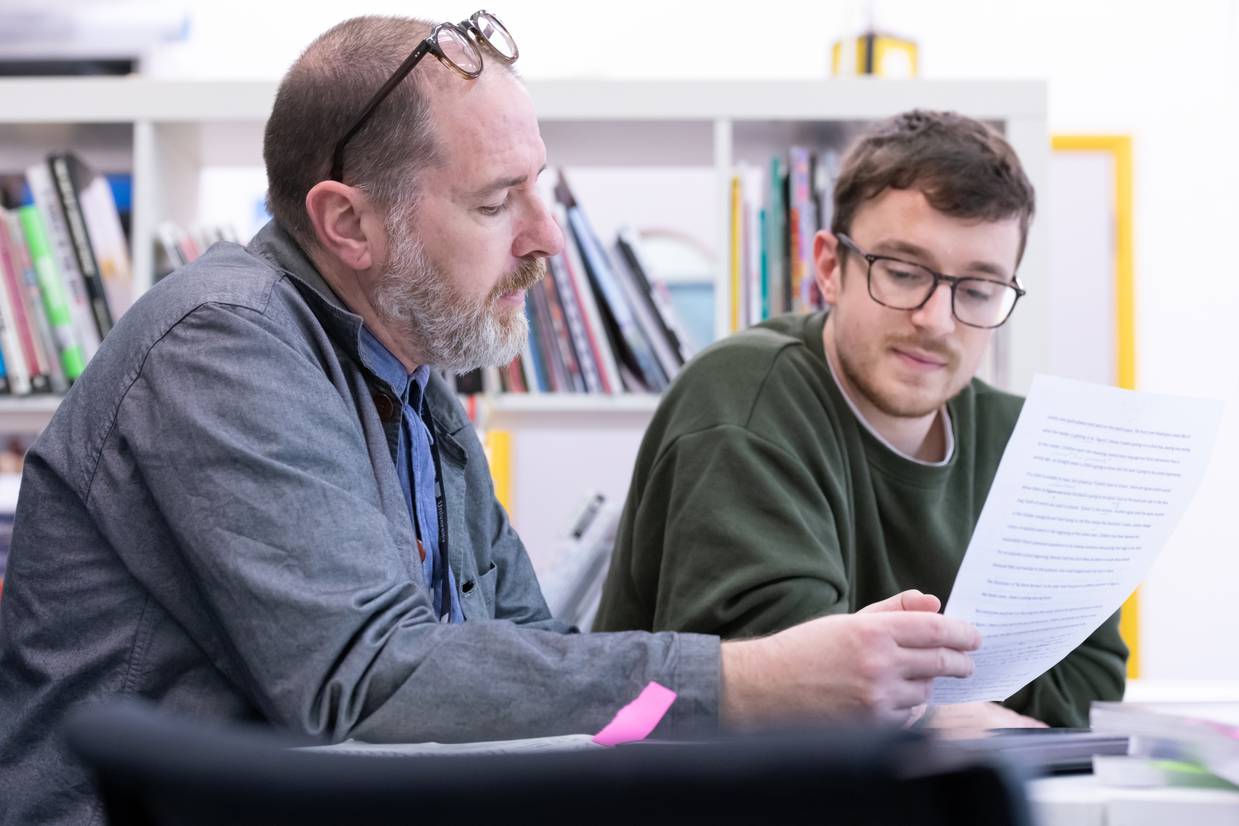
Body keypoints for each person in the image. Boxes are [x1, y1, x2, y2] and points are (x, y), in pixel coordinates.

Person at [0, 15, 982, 826]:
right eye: (497, 200)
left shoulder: (418, 376)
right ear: (348, 224)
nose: (547, 235)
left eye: (541, 187)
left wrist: (706, 717)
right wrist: (748, 681)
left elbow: (539, 671)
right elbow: (366, 686)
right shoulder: (221, 344)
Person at [595, 110, 1128, 729]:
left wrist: (927, 716)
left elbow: (1088, 690)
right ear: (829, 267)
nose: (937, 318)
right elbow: (798, 696)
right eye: (902, 273)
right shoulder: (742, 402)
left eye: (978, 289)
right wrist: (960, 716)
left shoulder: (1026, 443)